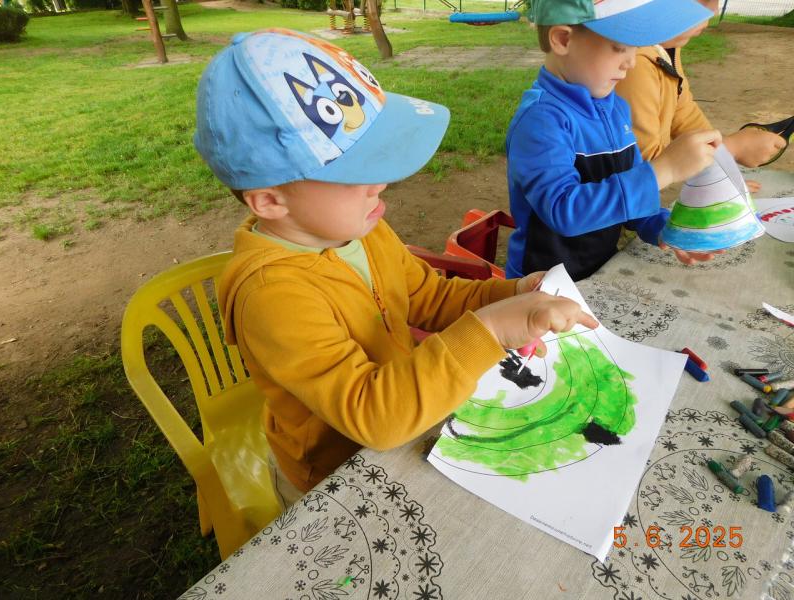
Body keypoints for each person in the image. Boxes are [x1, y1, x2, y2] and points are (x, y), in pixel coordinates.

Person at [193, 29, 598, 507]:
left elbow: (430, 297)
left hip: (409, 409)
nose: (381, 181)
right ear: (269, 201)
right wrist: (489, 332)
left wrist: (513, 295)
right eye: (353, 171)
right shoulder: (272, 295)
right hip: (336, 476)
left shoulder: (359, 229)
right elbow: (373, 416)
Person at [505, 0, 723, 282]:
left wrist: (663, 226)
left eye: (636, 47)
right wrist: (664, 170)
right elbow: (563, 211)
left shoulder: (615, 108)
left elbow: (626, 191)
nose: (631, 62)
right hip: (542, 285)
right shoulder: (541, 121)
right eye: (620, 47)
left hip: (597, 273)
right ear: (562, 39)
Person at [616, 0, 785, 176]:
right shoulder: (635, 65)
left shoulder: (666, 48)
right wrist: (731, 149)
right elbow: (643, 164)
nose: (714, 11)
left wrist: (722, 171)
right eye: (705, 0)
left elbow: (683, 112)